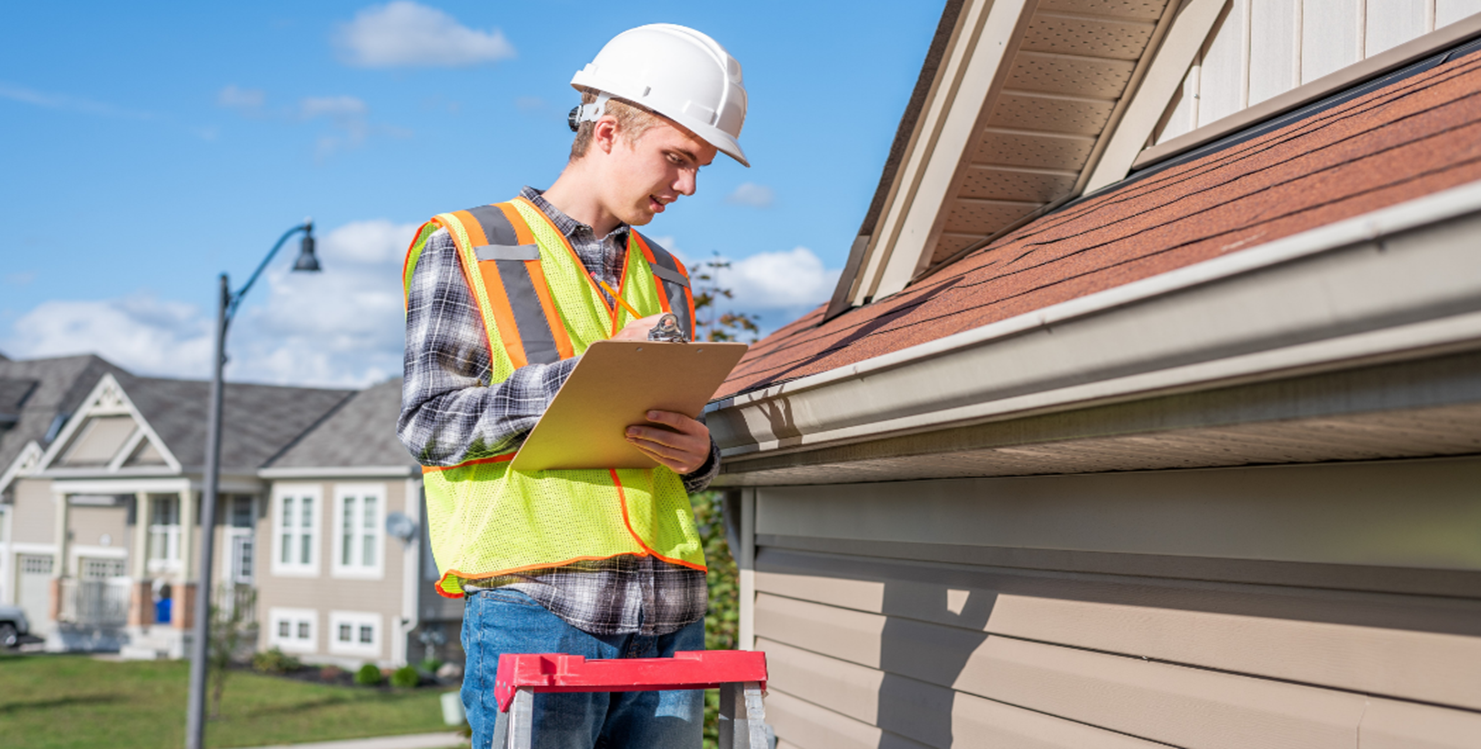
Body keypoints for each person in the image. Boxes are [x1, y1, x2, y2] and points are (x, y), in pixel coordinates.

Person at [397, 23, 749, 749]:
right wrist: (581, 375)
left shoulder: (668, 275)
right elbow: (428, 423)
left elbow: (666, 444)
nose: (686, 185)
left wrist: (700, 457)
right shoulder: (469, 244)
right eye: (676, 159)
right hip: (540, 606)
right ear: (610, 132)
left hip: (670, 613)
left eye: (699, 168)